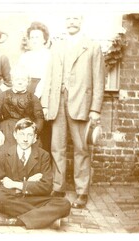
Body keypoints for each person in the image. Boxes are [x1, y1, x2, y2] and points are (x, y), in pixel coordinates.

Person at [41, 14, 105, 209]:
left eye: (76, 18)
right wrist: (45, 102)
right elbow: (49, 75)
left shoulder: (92, 46)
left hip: (81, 103)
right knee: (56, 147)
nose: (71, 21)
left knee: (81, 149)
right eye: (68, 18)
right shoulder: (57, 46)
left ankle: (81, 191)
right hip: (57, 101)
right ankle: (58, 188)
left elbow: (99, 80)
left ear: (81, 21)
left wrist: (95, 109)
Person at [0, 118, 71, 229]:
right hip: (12, 198)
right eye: (22, 134)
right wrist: (27, 185)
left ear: (35, 138)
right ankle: (46, 218)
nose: (25, 139)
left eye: (29, 135)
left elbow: (47, 186)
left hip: (34, 198)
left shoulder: (43, 155)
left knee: (64, 204)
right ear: (15, 135)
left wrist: (17, 184)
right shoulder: (4, 154)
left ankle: (14, 221)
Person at [0, 67, 44, 163]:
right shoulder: (4, 95)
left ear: (28, 82)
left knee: (32, 151)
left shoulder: (33, 97)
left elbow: (39, 118)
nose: (20, 82)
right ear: (12, 80)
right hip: (7, 129)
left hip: (26, 128)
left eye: (23, 79)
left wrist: (34, 134)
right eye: (17, 79)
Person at [17, 21, 51, 98]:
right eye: (32, 37)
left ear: (44, 39)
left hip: (43, 91)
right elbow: (19, 75)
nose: (34, 40)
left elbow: (45, 79)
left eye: (37, 37)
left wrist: (36, 96)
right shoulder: (24, 56)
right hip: (25, 90)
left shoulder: (48, 55)